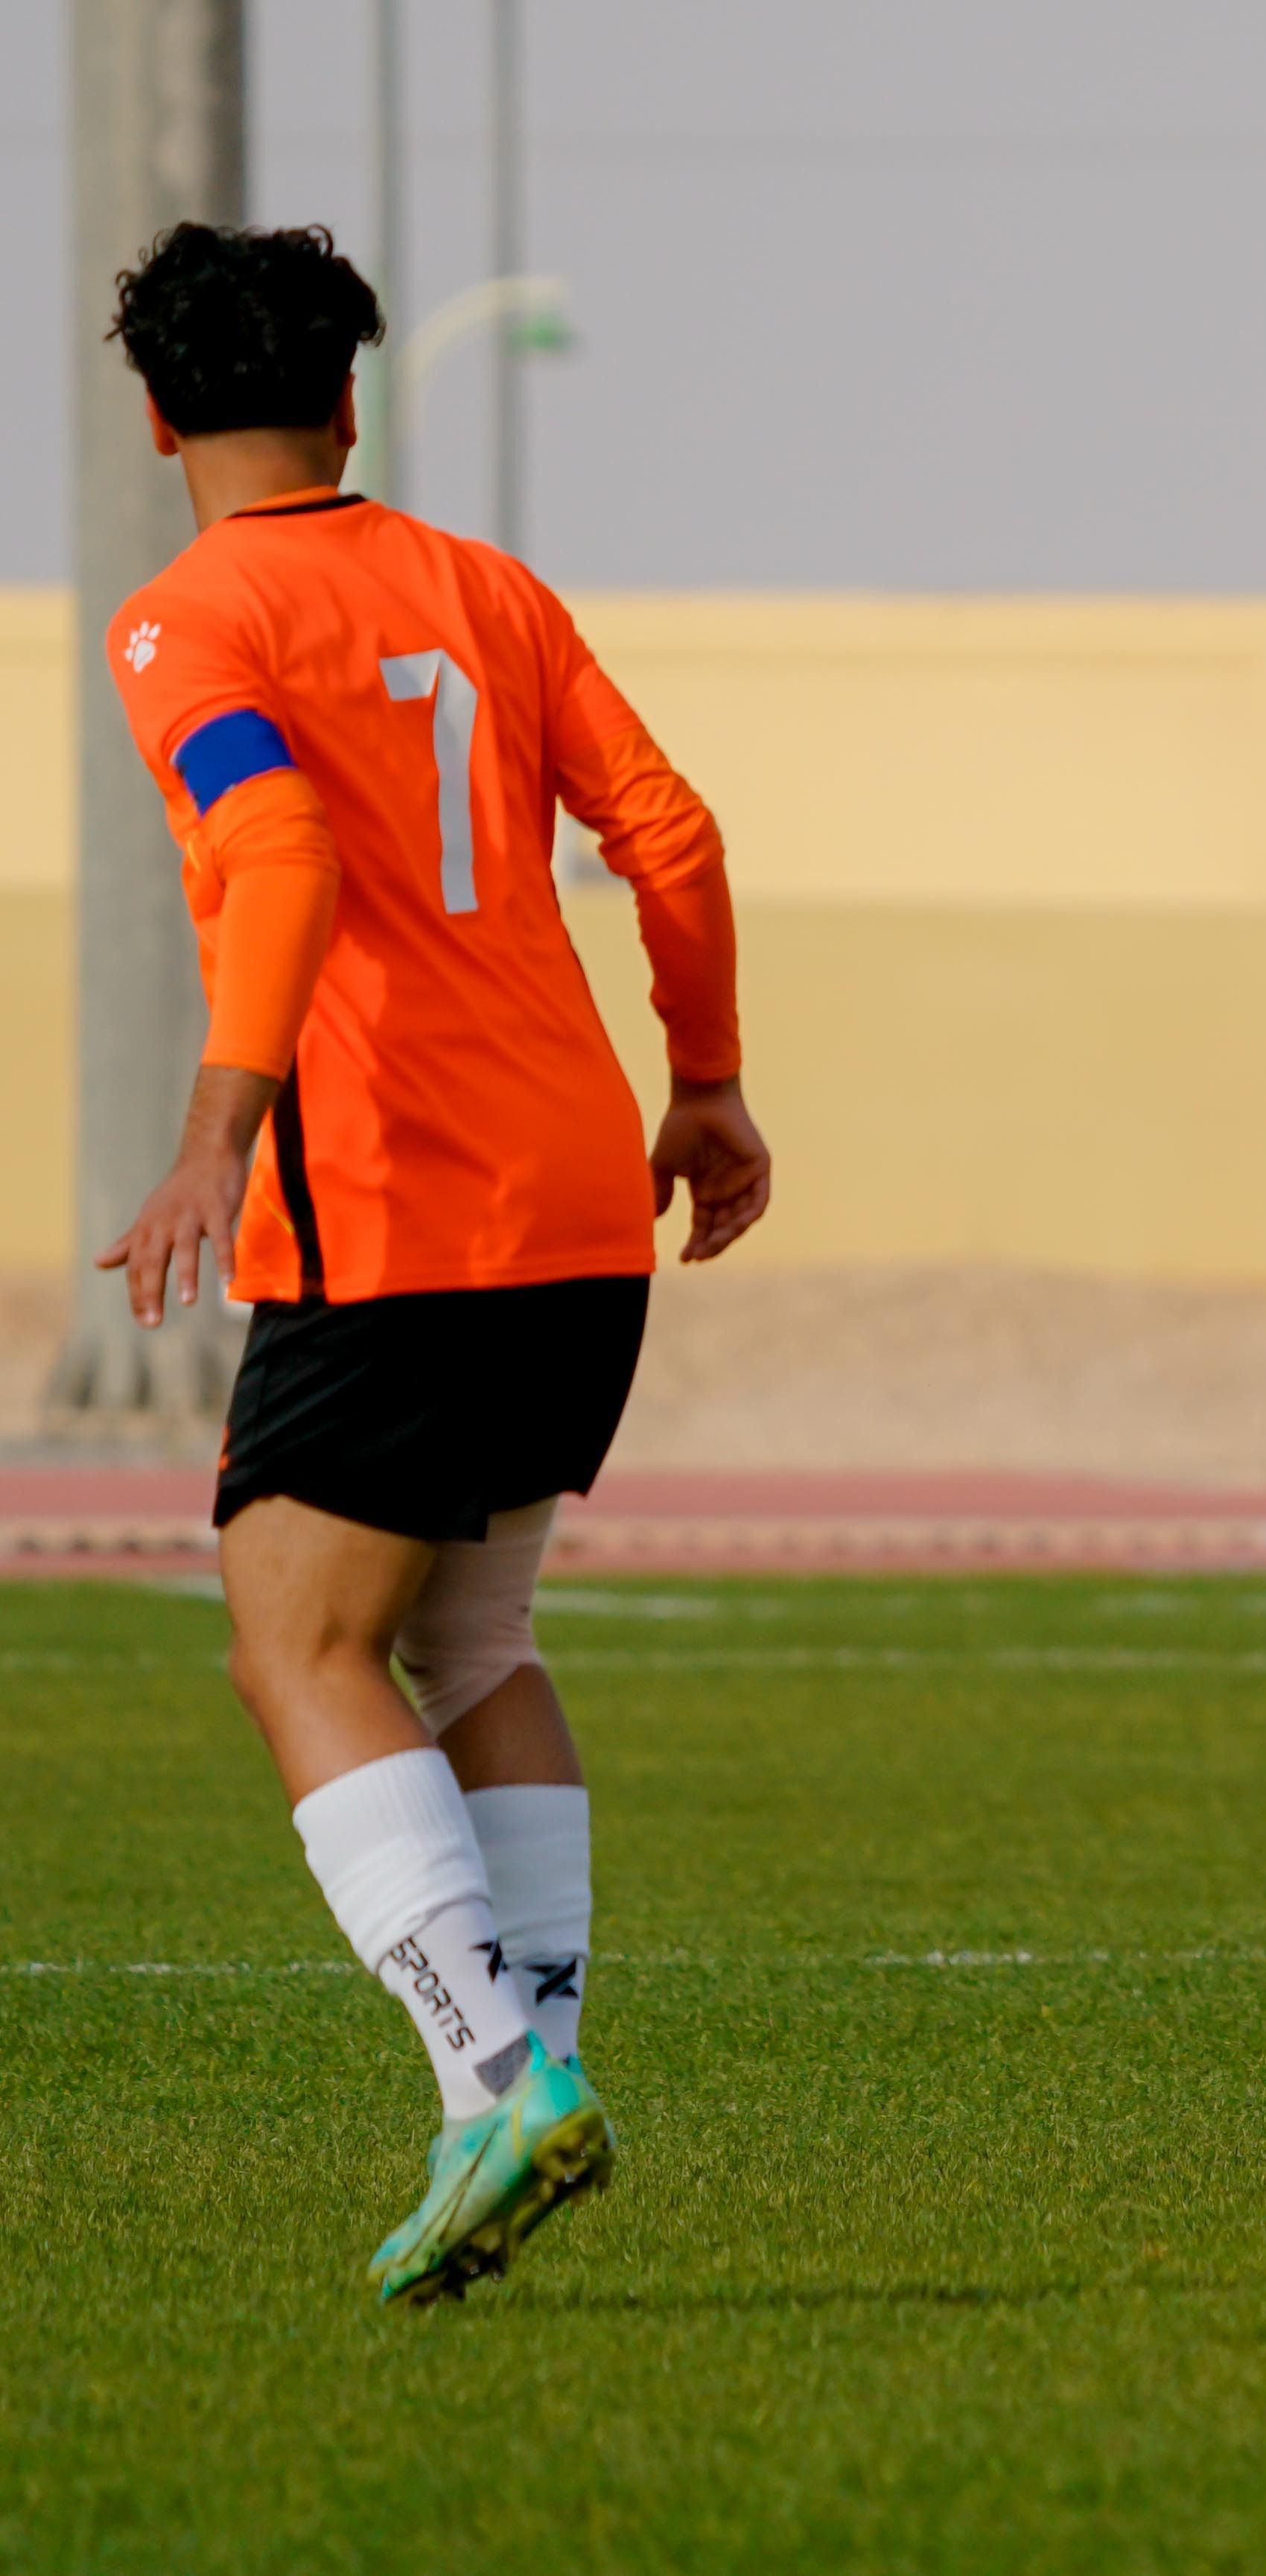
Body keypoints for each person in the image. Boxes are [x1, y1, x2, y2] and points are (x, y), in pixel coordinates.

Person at [93, 223, 770, 2303]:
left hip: (392, 1211)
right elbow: (671, 832)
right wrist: (712, 1085)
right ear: (352, 401)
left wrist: (218, 1121)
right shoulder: (490, 591)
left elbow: (279, 846)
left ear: (154, 420)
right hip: (579, 1201)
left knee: (291, 1641)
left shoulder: (187, 622)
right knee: (471, 1644)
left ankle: (495, 2074)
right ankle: (535, 2066)